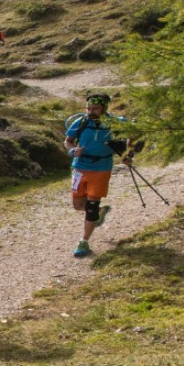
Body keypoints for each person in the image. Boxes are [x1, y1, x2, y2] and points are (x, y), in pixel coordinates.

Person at [64, 91, 143, 258]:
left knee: (91, 207)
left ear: (104, 108)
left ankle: (83, 242)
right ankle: (99, 213)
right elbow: (68, 140)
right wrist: (72, 150)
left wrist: (128, 154)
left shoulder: (116, 123)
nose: (91, 112)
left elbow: (132, 136)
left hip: (102, 168)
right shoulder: (81, 122)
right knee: (78, 205)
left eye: (95, 108)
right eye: (89, 108)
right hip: (79, 167)